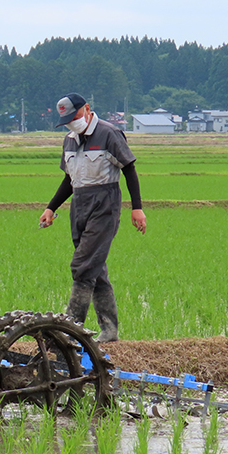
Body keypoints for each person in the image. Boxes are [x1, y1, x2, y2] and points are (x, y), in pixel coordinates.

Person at [39, 93, 147, 343]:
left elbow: (129, 168)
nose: (72, 123)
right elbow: (69, 179)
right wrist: (51, 207)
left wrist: (137, 207)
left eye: (74, 117)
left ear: (87, 109)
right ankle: (109, 331)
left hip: (105, 204)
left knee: (83, 266)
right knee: (95, 269)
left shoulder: (109, 134)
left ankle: (71, 331)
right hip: (79, 204)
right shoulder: (69, 140)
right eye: (67, 120)